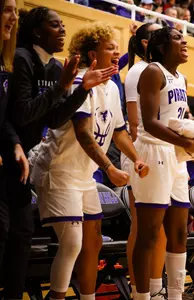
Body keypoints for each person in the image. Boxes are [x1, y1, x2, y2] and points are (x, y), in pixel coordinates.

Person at [30, 22, 148, 300]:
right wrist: (110, 167)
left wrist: (136, 159)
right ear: (93, 53)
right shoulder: (81, 82)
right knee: (72, 243)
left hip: (83, 175)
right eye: (110, 47)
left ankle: (87, 298)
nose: (116, 51)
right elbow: (83, 134)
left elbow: (119, 132)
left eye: (117, 47)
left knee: (92, 242)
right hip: (58, 170)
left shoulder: (112, 88)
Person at [6, 7, 114, 299]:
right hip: (13, 153)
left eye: (64, 25)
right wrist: (64, 86)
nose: (63, 30)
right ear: (38, 32)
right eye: (55, 25)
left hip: (25, 160)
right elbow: (23, 113)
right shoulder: (22, 58)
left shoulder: (56, 67)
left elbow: (54, 119)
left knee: (21, 236)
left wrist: (79, 91)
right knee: (14, 236)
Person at [131, 26, 194, 300]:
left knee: (179, 231)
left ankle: (175, 295)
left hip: (176, 157)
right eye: (177, 38)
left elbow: (178, 121)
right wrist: (187, 143)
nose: (184, 41)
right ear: (162, 47)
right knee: (149, 234)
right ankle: (141, 296)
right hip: (153, 152)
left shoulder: (182, 78)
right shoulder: (152, 71)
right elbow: (151, 123)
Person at [122, 21, 167, 299]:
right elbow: (135, 123)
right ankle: (139, 289)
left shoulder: (162, 71)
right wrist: (140, 158)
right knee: (141, 227)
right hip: (143, 153)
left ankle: (155, 288)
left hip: (162, 154)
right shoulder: (138, 71)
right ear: (148, 44)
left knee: (158, 227)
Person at [0, 1, 31, 299]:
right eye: (7, 9)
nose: (14, 17)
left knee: (7, 232)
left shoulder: (5, 62)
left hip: (4, 162)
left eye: (16, 11)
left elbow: (3, 118)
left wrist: (15, 144)